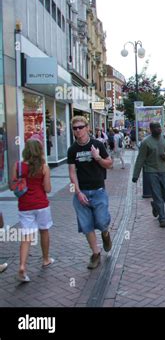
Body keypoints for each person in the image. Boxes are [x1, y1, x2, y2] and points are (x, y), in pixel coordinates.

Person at [68, 116, 113, 270]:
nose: (78, 130)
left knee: (101, 222)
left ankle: (106, 233)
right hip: (82, 192)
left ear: (87, 128)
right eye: (75, 128)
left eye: (81, 127)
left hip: (98, 190)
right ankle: (95, 253)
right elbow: (72, 173)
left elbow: (109, 164)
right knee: (87, 226)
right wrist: (78, 192)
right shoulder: (72, 149)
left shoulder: (97, 144)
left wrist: (98, 157)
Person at [11, 139, 55, 282]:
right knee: (44, 231)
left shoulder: (17, 166)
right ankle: (46, 259)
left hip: (25, 206)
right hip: (41, 204)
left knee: (26, 237)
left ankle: (22, 266)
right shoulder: (44, 167)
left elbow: (12, 186)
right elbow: (48, 189)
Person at [132, 122, 165, 228]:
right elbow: (140, 159)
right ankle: (162, 218)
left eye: (159, 127)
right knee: (157, 194)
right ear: (151, 129)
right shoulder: (146, 142)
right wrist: (135, 175)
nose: (159, 129)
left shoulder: (164, 139)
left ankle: (155, 206)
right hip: (151, 171)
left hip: (164, 170)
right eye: (156, 127)